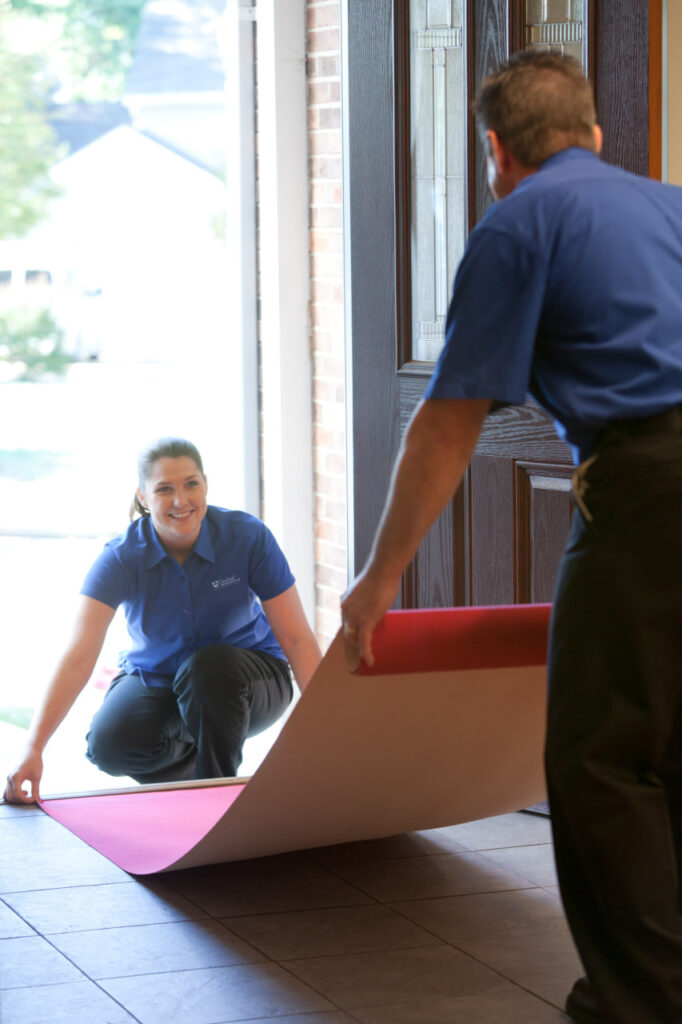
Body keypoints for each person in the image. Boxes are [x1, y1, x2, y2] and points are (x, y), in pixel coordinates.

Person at [341, 50, 682, 1024]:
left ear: (495, 151)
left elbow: (450, 422)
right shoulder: (671, 207)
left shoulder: (520, 223)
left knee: (601, 759)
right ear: (596, 135)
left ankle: (638, 1004)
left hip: (650, 492)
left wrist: (377, 583)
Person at [5, 437, 321, 803]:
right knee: (109, 745)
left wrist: (329, 726)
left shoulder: (247, 537)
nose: (180, 501)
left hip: (253, 681)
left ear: (205, 484)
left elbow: (297, 639)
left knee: (208, 669)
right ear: (143, 496)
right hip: (161, 680)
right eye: (164, 489)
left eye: (191, 484)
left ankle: (214, 800)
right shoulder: (121, 558)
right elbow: (77, 657)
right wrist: (33, 748)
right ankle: (193, 782)